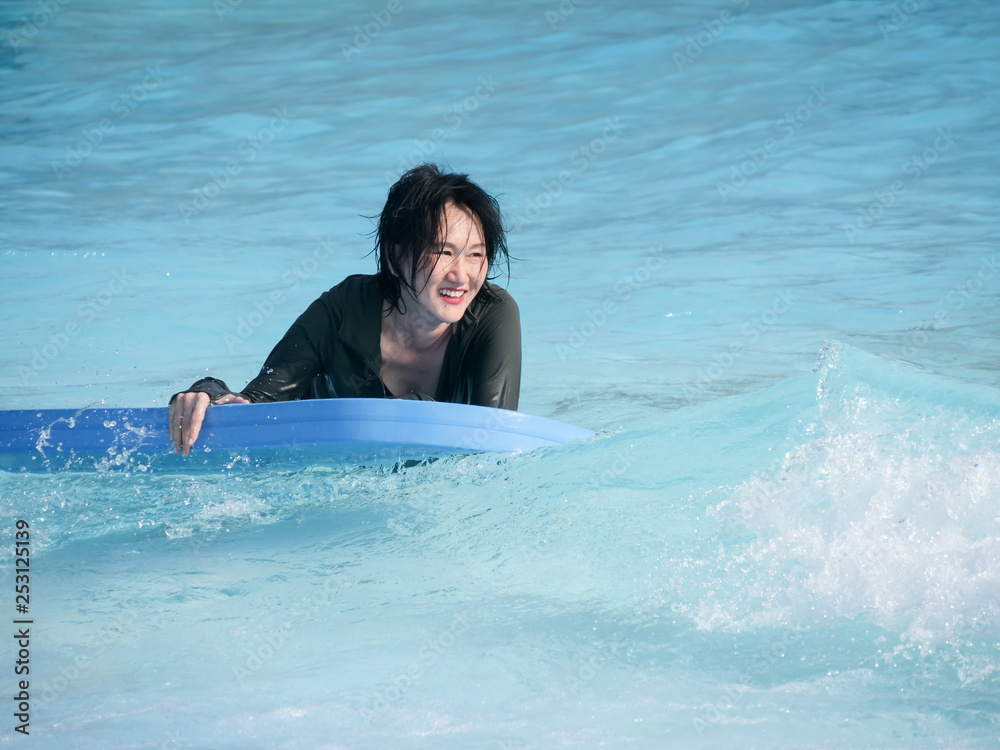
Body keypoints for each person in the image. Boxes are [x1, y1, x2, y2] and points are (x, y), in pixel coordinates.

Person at [169, 164, 521, 456]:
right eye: (444, 253)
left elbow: (491, 439)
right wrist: (209, 395)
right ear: (397, 256)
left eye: (475, 254)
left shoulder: (492, 315)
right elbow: (258, 402)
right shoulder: (343, 310)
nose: (463, 275)